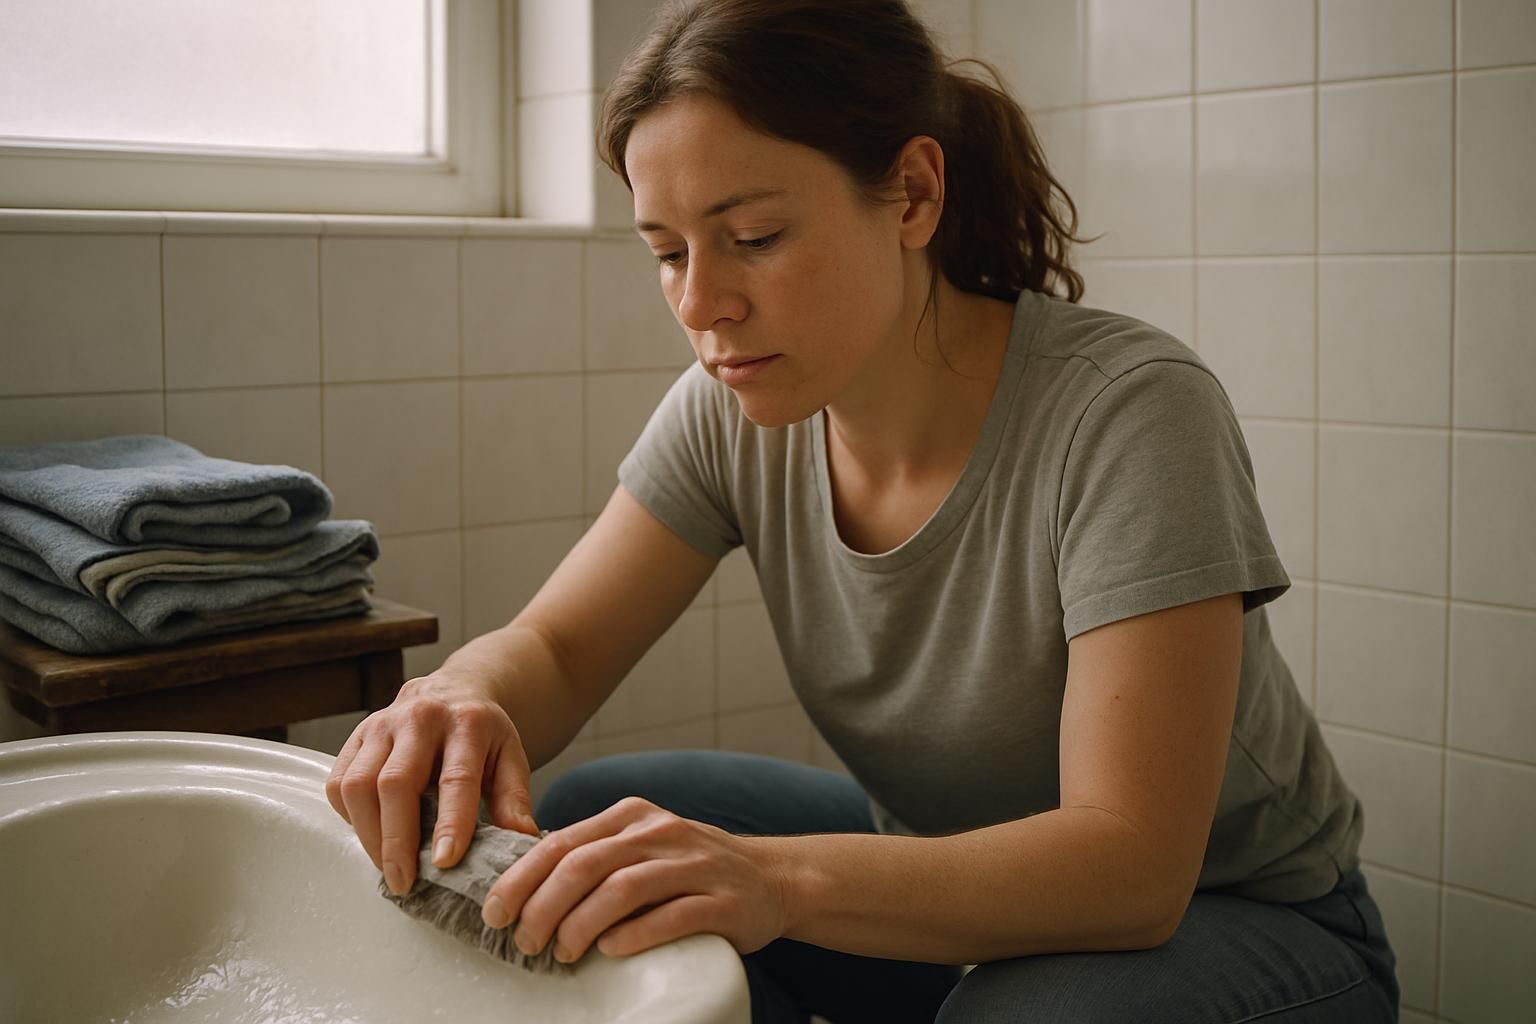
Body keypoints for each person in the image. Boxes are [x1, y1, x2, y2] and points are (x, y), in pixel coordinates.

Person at [326, 1, 1401, 1020]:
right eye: (667, 252)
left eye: (751, 235)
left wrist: (774, 878)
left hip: (1249, 925)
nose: (702, 303)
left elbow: (1129, 867)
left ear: (914, 196)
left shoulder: (1128, 414)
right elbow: (556, 651)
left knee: (1017, 1011)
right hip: (965, 910)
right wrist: (460, 700)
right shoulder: (728, 410)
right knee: (593, 836)